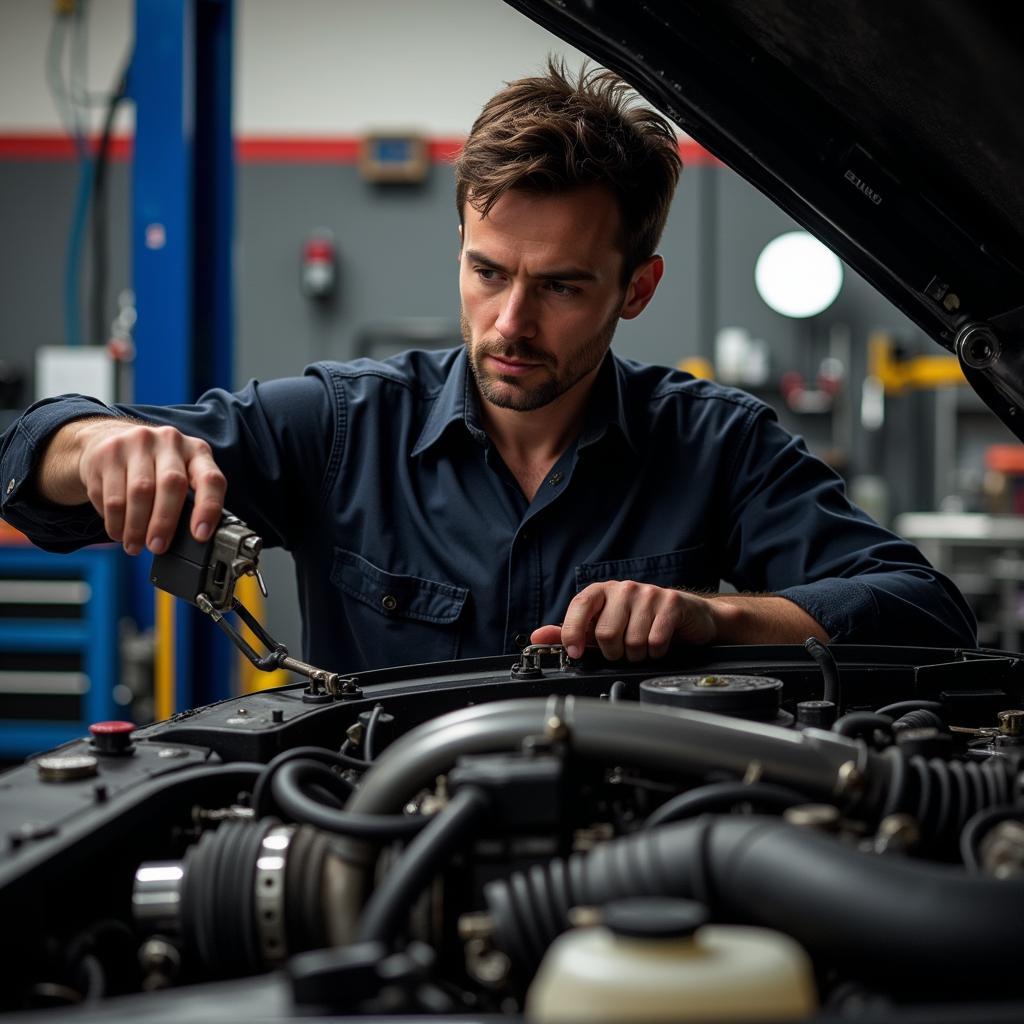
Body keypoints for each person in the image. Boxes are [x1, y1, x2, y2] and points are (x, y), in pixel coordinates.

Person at [0, 61, 975, 673]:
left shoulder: (713, 443)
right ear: (461, 237)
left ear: (635, 288)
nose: (509, 321)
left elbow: (921, 611)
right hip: (367, 870)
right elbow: (33, 460)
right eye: (486, 270)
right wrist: (98, 446)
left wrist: (714, 617)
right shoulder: (339, 426)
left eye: (559, 287)